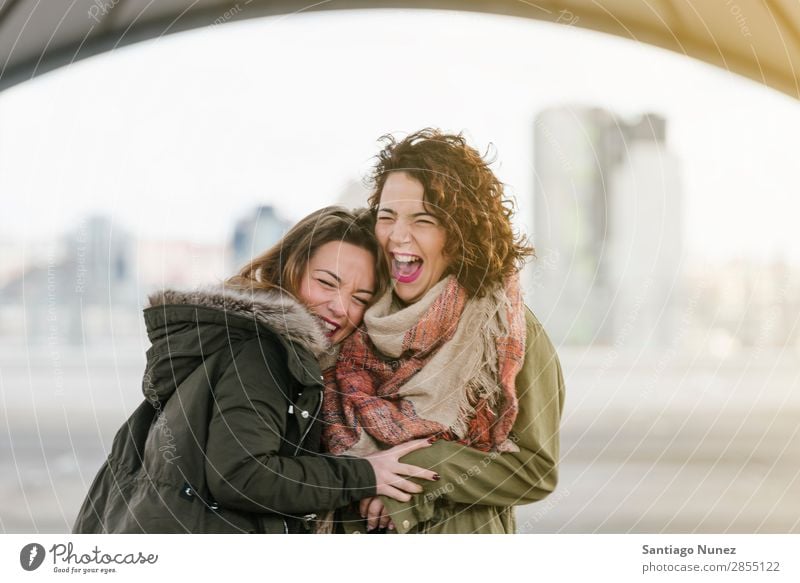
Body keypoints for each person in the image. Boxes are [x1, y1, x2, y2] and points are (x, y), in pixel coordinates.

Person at [72, 206, 437, 534]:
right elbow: (242, 474)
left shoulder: (233, 338)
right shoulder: (262, 350)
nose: (340, 308)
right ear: (289, 270)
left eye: (360, 299)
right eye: (327, 282)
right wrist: (366, 476)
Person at [322, 130, 565, 534]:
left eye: (424, 219)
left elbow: (536, 469)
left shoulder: (504, 330)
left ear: (461, 232)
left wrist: (415, 474)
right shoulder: (354, 314)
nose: (398, 236)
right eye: (387, 216)